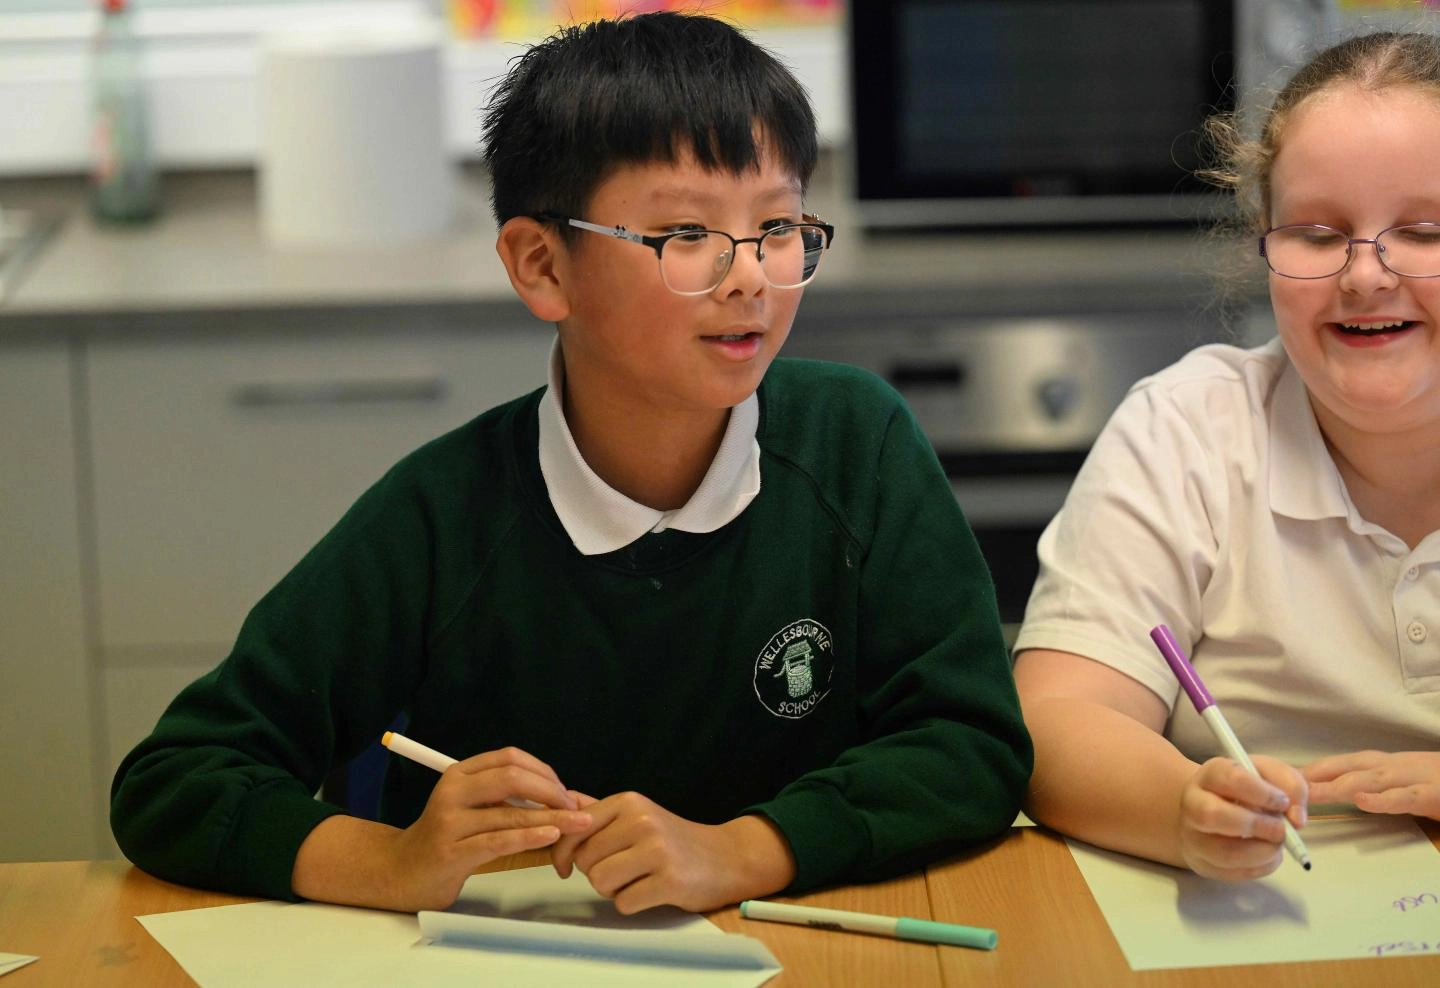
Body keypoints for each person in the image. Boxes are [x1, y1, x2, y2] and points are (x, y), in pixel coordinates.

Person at [110, 12, 1031, 915]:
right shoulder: (443, 518)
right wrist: (392, 862)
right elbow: (177, 780)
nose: (749, 276)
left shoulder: (854, 444)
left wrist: (743, 851)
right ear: (543, 267)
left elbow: (971, 742)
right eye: (687, 237)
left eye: (778, 226)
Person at [1013, 30, 1440, 883]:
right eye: (1318, 234)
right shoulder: (1188, 430)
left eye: (1423, 230)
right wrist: (1179, 808)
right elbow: (1054, 722)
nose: (1364, 276)